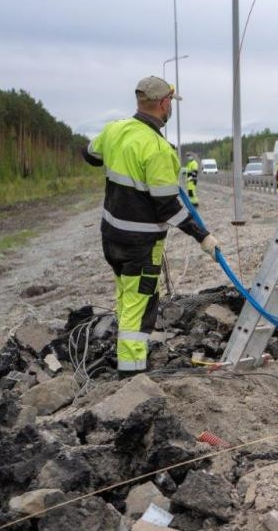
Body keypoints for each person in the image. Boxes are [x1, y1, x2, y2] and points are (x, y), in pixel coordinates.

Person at [82, 75, 220, 377]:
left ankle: (127, 360)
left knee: (126, 297)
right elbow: (168, 207)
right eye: (171, 102)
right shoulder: (158, 149)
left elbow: (89, 154)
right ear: (164, 103)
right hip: (140, 246)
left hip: (111, 238)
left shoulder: (115, 130)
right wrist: (203, 237)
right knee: (139, 308)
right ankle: (131, 377)